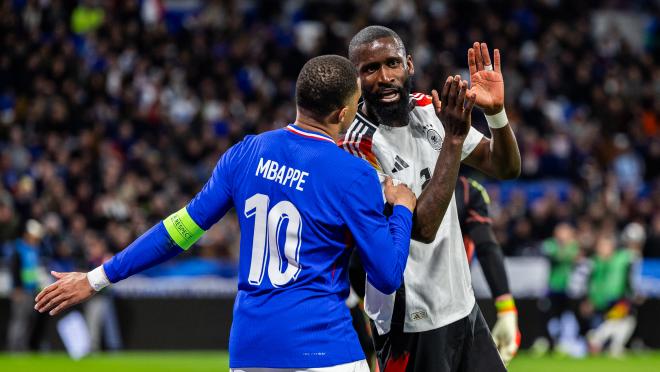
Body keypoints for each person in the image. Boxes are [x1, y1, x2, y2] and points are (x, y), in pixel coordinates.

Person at [34, 55, 418, 371]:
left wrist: (96, 278)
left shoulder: (244, 154)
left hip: (250, 352)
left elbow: (178, 231)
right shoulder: (354, 174)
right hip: (323, 349)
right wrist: (401, 208)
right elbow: (386, 275)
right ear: (343, 112)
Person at [341, 25, 521, 371]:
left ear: (409, 64)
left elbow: (505, 167)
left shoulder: (429, 109)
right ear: (356, 79)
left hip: (464, 308)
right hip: (410, 324)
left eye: (392, 63)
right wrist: (453, 142)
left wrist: (496, 113)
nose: (384, 77)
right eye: (370, 69)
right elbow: (422, 227)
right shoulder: (355, 148)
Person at [455, 176, 520, 365]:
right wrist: (507, 310)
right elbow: (486, 247)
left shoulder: (466, 190)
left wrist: (507, 309)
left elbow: (486, 248)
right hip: (452, 304)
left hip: (406, 301)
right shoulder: (466, 190)